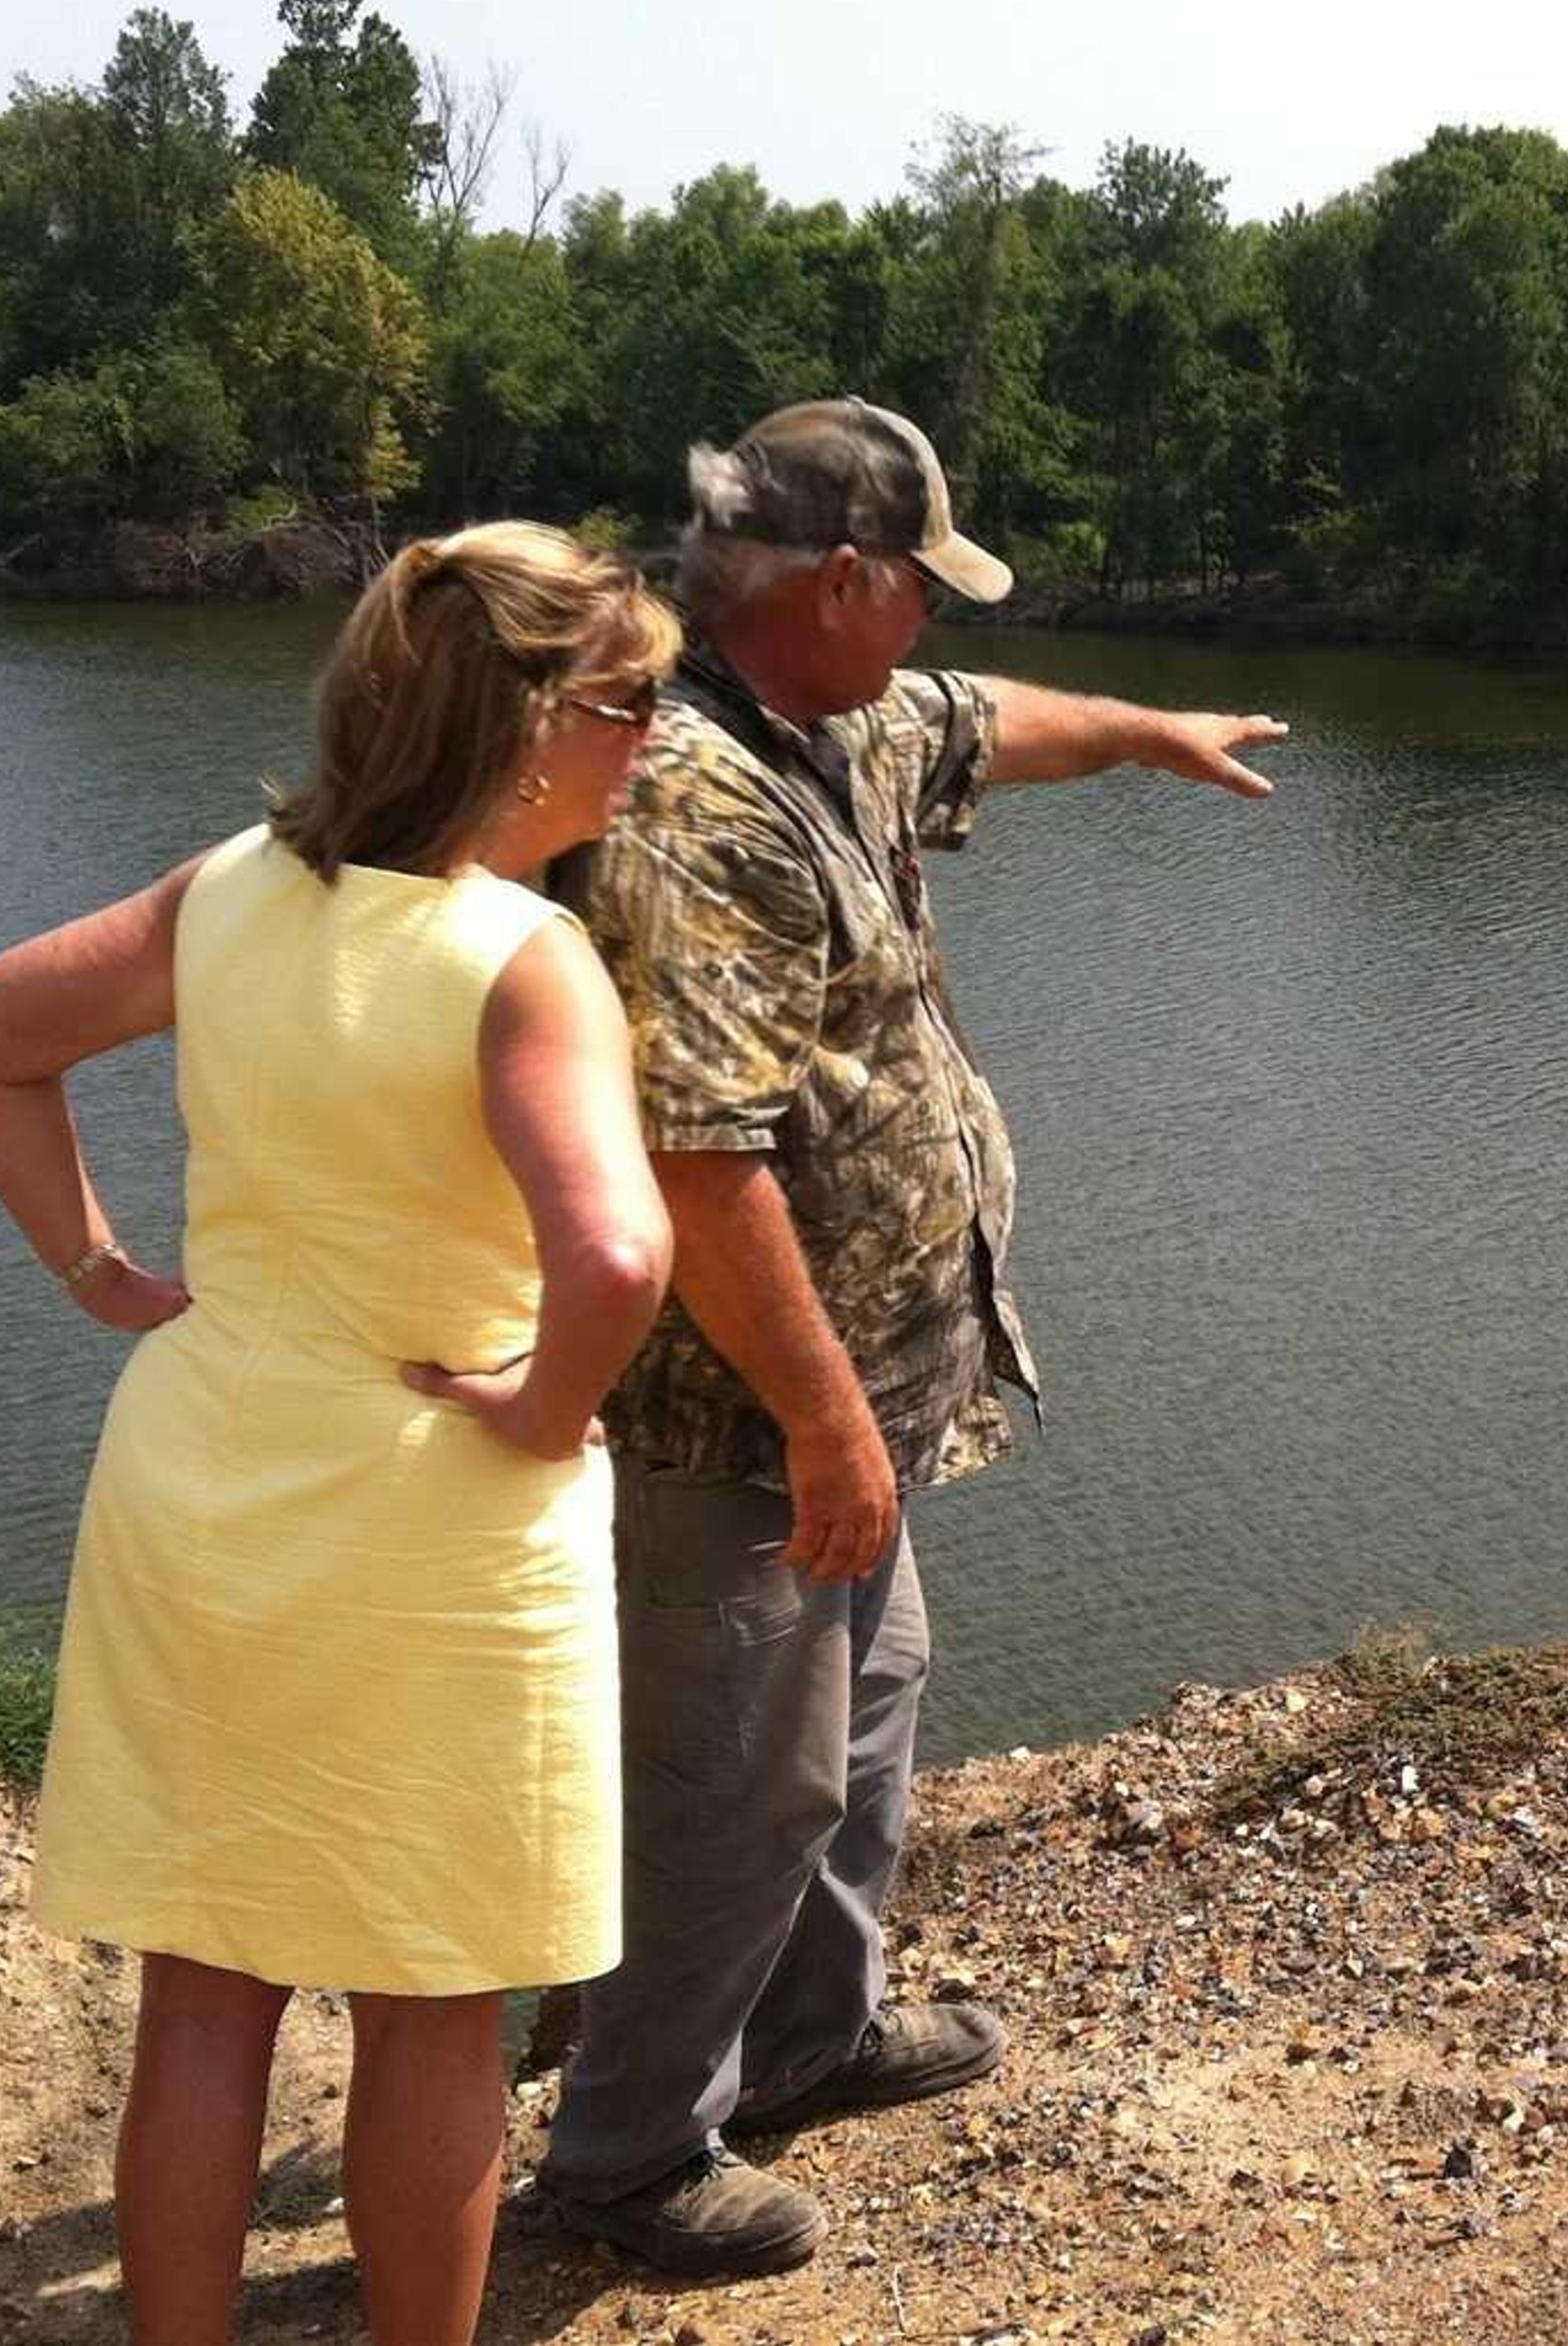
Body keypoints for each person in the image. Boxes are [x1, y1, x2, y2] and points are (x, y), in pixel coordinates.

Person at [535, 398, 1289, 2277]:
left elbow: (986, 721)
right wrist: (822, 1424)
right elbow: (697, 1166)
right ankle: (628, 2156)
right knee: (739, 1779)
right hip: (738, 1422)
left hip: (848, 1392)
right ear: (848, 579)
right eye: (919, 588)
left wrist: (1146, 735)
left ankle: (811, 2034)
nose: (932, 631)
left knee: (866, 1712)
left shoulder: (831, 716)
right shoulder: (696, 811)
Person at [0, 524, 682, 2346]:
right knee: (433, 2008)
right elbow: (621, 1252)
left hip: (203, 1475)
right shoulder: (523, 957)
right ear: (527, 725)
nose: (652, 739)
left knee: (206, 1991)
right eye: (631, 703)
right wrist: (546, 1411)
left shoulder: (231, 892)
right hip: (431, 1513)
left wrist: (102, 1273)